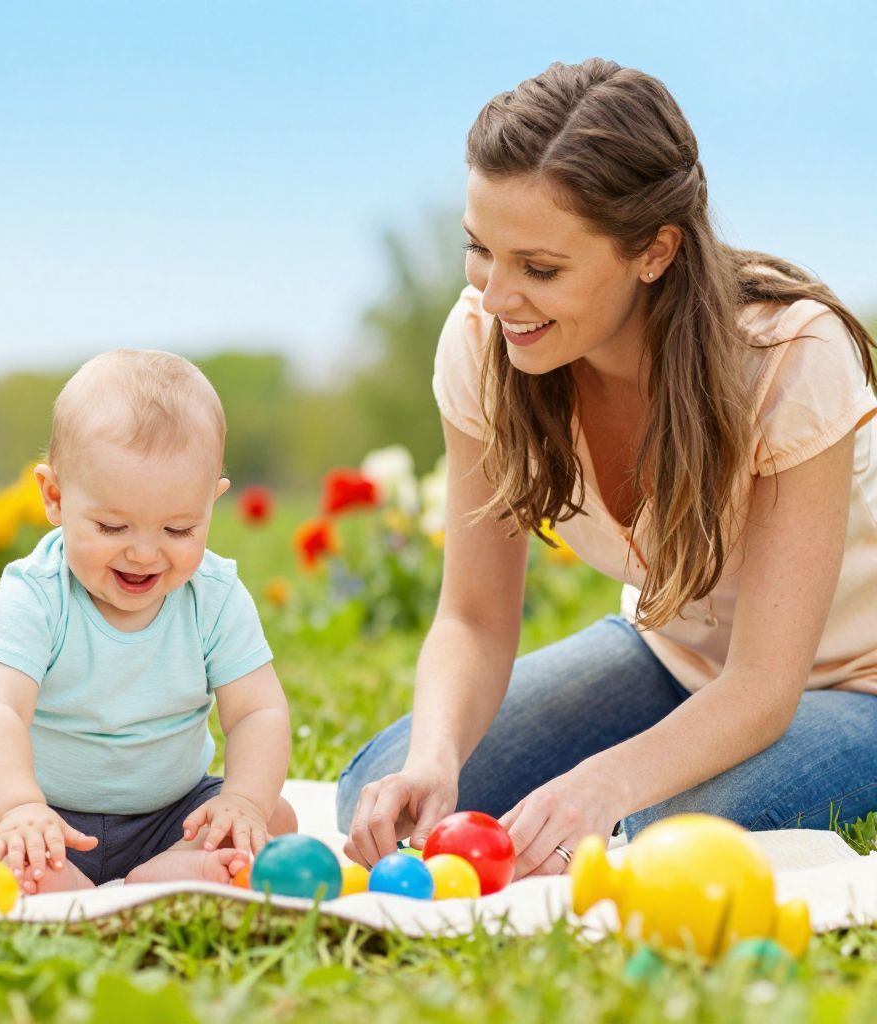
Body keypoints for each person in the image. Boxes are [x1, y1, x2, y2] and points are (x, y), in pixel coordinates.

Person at [336, 58, 877, 880]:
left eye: (540, 269)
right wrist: (435, 756)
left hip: (855, 681)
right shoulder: (486, 343)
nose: (497, 295)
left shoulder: (789, 358)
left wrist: (604, 782)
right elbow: (475, 619)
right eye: (481, 250)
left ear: (655, 251)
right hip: (679, 661)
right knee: (385, 798)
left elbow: (766, 685)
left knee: (660, 831)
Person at [0, 350, 296, 891]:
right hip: (40, 815)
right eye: (112, 527)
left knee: (274, 819)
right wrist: (18, 806)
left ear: (212, 503)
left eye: (178, 530)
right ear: (55, 497)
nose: (144, 554)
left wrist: (243, 801)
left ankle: (171, 869)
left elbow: (258, 711)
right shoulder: (35, 594)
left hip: (173, 817)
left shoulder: (215, 594)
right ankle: (54, 877)